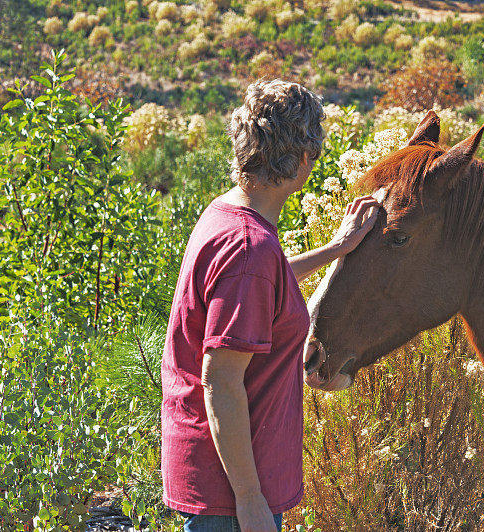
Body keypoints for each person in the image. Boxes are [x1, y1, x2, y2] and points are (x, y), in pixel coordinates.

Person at [160, 79, 378, 532]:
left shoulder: (229, 215)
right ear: (302, 160)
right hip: (230, 499)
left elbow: (261, 282)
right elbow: (220, 381)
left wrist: (336, 248)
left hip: (220, 485)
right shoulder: (249, 249)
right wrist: (251, 500)